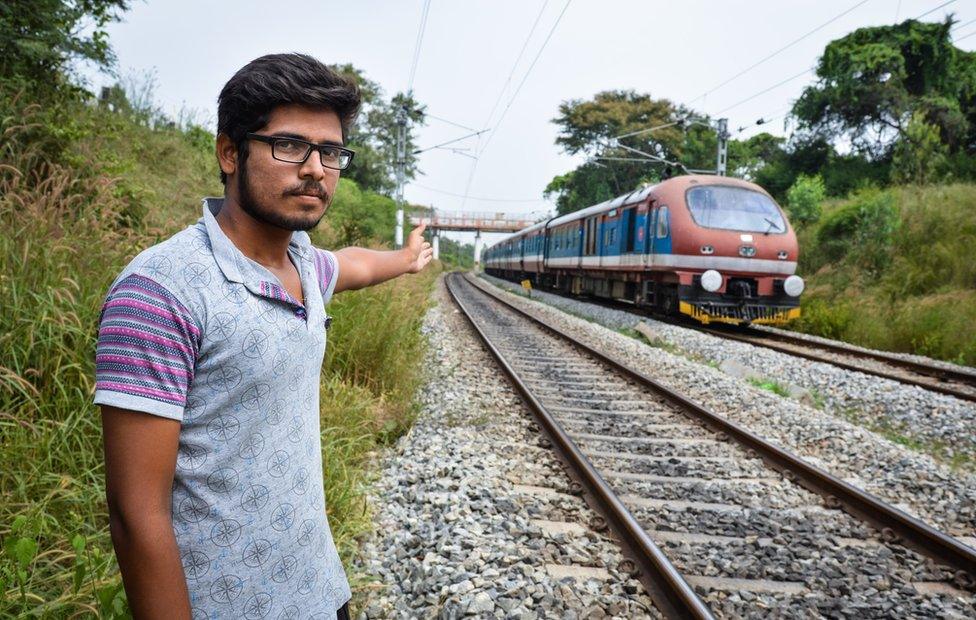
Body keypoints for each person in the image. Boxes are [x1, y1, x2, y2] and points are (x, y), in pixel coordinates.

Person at [94, 53, 433, 619]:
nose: (315, 169)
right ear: (230, 153)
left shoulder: (303, 264)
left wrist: (404, 258)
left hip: (321, 588)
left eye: (330, 152)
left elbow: (352, 265)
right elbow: (137, 515)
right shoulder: (159, 292)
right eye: (290, 146)